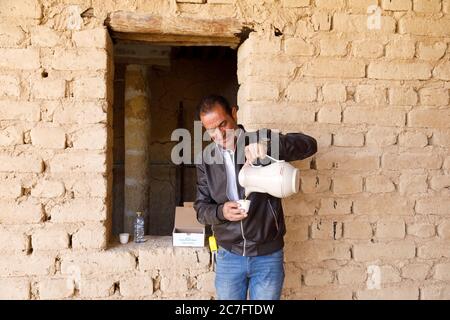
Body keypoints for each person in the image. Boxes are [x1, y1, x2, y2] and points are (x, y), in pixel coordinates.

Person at [194, 94, 317, 300]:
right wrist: (220, 211)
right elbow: (200, 209)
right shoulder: (206, 159)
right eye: (211, 130)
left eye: (223, 124)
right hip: (228, 256)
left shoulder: (260, 140)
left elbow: (309, 145)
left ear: (234, 113)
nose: (219, 134)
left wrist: (268, 148)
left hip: (267, 256)